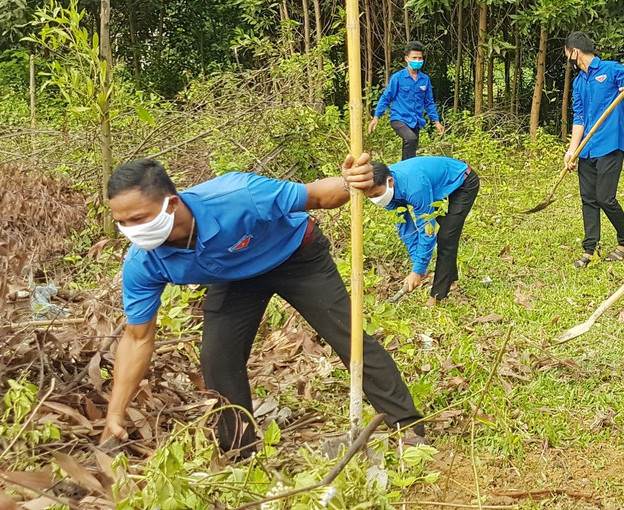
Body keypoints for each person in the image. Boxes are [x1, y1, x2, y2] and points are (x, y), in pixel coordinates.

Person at [100, 155, 425, 458]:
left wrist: (349, 182)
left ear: (171, 203)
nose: (132, 230)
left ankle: (408, 429)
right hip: (234, 278)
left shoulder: (238, 194)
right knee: (218, 359)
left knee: (347, 336)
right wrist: (115, 413)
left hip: (295, 256)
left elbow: (316, 197)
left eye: (138, 218)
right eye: (122, 222)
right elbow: (138, 338)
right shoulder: (143, 262)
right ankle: (241, 451)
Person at [563, 31, 624, 269]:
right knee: (588, 199)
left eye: (567, 54)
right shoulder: (579, 81)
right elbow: (578, 118)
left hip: (610, 145)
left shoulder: (611, 70)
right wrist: (572, 151)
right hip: (587, 149)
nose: (568, 59)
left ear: (575, 52)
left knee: (604, 198)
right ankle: (590, 249)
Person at [361, 156, 480, 306]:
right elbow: (406, 229)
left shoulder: (414, 187)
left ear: (390, 181)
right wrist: (417, 265)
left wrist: (417, 271)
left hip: (463, 180)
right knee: (445, 234)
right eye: (370, 197)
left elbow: (427, 230)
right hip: (433, 188)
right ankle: (450, 280)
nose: (375, 199)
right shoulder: (386, 192)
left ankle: (437, 297)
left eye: (376, 195)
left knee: (446, 237)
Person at [370, 41, 445, 160]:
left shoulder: (425, 79)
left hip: (416, 121)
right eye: (414, 57)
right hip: (399, 118)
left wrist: (437, 122)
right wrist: (376, 117)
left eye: (420, 58)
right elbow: (386, 97)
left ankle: (405, 172)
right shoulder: (398, 78)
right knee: (410, 138)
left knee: (412, 148)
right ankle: (405, 170)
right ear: (407, 58)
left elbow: (429, 102)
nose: (417, 60)